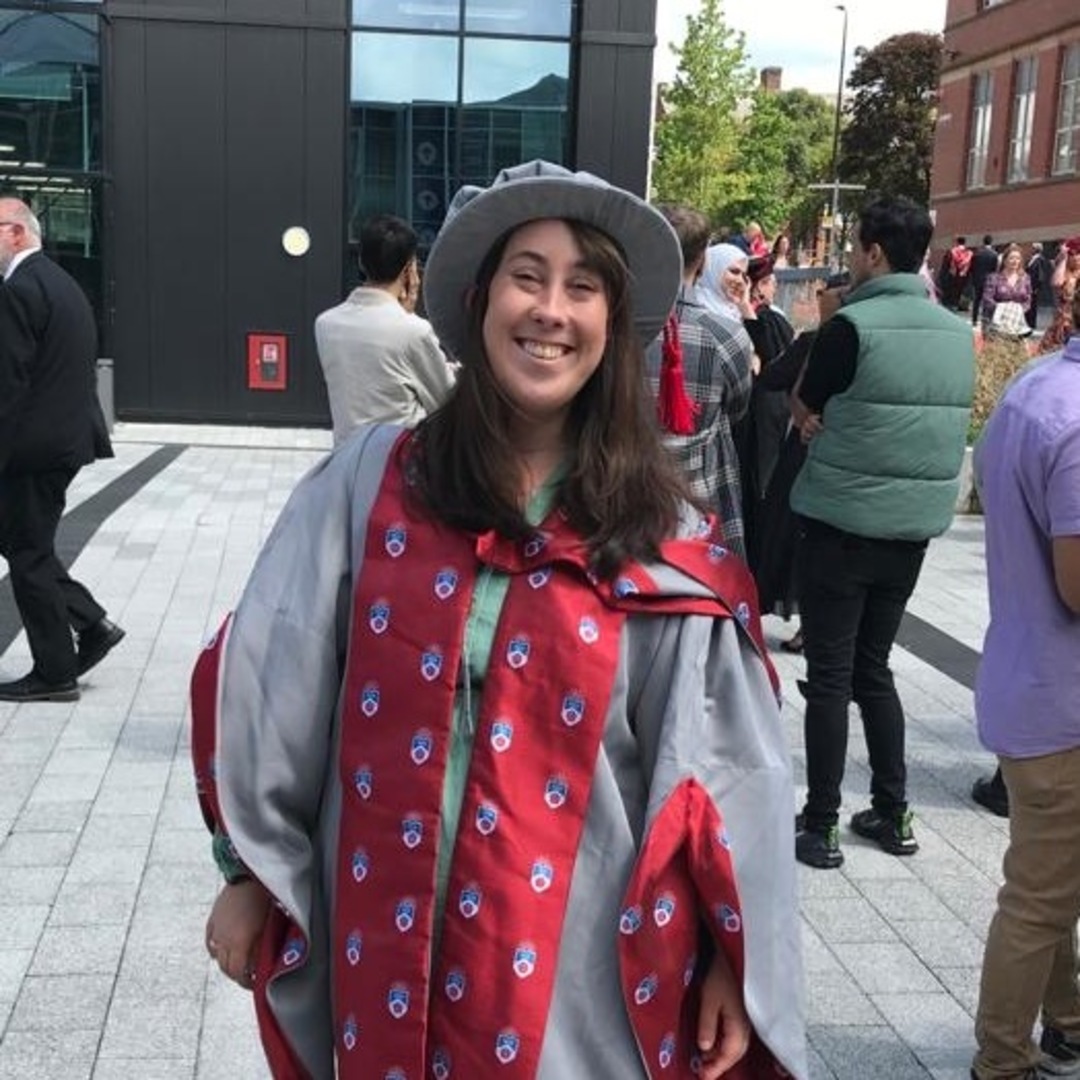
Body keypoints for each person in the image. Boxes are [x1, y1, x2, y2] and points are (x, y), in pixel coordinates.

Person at [191, 161, 807, 1080]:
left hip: (570, 964)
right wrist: (249, 869)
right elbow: (276, 673)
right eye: (528, 275)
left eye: (582, 286)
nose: (550, 310)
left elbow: (726, 771)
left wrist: (732, 951)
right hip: (383, 933)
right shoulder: (374, 486)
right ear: (481, 304)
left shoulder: (662, 534)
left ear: (611, 325)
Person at [789, 196, 975, 869]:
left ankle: (821, 822)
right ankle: (893, 811)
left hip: (840, 523)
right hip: (909, 532)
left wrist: (810, 415)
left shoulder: (853, 326)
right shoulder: (958, 332)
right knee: (874, 668)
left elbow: (806, 401)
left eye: (855, 247)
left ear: (872, 251)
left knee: (830, 675)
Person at [970, 287, 1080, 1080]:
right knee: (1040, 897)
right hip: (1062, 702)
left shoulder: (1037, 386)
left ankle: (1067, 1019)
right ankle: (1001, 1061)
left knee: (1052, 878)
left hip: (1025, 677)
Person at [0, 198, 125, 703]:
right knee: (23, 544)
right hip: (62, 440)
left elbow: (9, 383)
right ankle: (91, 623)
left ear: (15, 233)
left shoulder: (19, 289)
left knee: (27, 555)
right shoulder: (59, 282)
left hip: (32, 448)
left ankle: (55, 672)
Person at [643, 205, 754, 551]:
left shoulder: (614, 328)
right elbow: (737, 408)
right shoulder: (728, 336)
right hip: (698, 499)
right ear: (703, 261)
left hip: (621, 492)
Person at [754, 273, 850, 656]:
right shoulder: (872, 345)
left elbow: (772, 379)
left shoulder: (816, 342)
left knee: (798, 536)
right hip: (847, 456)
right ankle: (819, 626)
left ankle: (810, 626)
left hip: (807, 452)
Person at [314, 213, 455, 443]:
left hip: (346, 461)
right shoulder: (414, 331)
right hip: (396, 465)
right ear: (410, 269)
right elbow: (445, 400)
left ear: (361, 261)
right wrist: (407, 316)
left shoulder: (325, 324)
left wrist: (404, 315)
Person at [692, 242, 756, 558]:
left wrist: (746, 308)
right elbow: (738, 403)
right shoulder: (720, 328)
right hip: (704, 466)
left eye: (744, 274)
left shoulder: (735, 317)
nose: (740, 280)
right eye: (733, 270)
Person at [733, 255, 795, 568]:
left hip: (769, 411)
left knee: (762, 481)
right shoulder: (755, 316)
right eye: (770, 282)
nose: (775, 287)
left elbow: (776, 357)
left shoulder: (770, 319)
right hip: (756, 411)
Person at [1036, 237, 1080, 355]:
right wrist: (1064, 258)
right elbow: (1056, 283)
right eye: (1074, 254)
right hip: (1062, 322)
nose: (1077, 258)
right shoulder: (1064, 272)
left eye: (1079, 254)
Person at [980, 243, 1032, 334]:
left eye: (1018, 258)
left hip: (1016, 323)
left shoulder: (1025, 278)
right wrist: (1005, 310)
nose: (1015, 261)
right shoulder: (994, 278)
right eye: (1012, 258)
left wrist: (1018, 311)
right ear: (1005, 260)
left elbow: (1028, 299)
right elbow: (987, 298)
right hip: (995, 324)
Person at [970, 234, 1001, 327]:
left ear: (983, 242)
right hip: (989, 280)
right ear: (991, 242)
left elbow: (972, 268)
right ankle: (985, 319)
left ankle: (974, 320)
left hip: (978, 280)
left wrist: (973, 278)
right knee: (987, 300)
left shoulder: (977, 253)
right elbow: (995, 269)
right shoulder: (994, 254)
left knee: (977, 300)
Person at [937, 236, 972, 311]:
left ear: (957, 242)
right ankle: (955, 305)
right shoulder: (968, 253)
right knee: (957, 293)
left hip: (952, 275)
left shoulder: (951, 252)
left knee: (949, 293)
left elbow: (945, 266)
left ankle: (947, 306)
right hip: (962, 277)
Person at [1025, 241, 1049, 331]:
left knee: (1032, 306)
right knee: (1029, 305)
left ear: (1037, 249)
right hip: (1029, 285)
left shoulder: (1040, 259)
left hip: (1034, 286)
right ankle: (1028, 323)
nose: (1031, 249)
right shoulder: (1032, 259)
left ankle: (1031, 324)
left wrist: (1037, 287)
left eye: (1033, 248)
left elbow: (1040, 275)